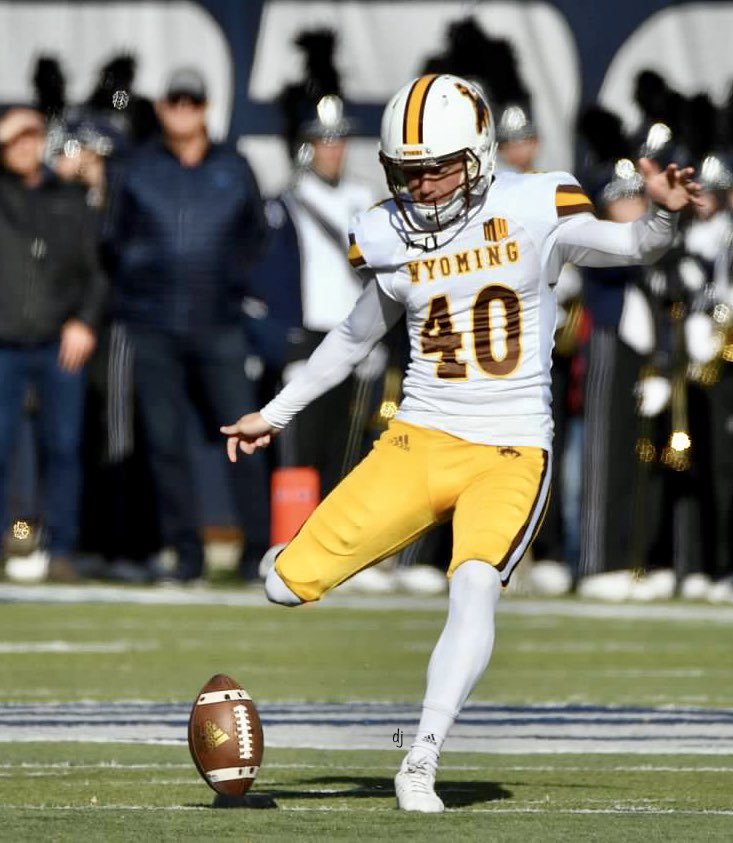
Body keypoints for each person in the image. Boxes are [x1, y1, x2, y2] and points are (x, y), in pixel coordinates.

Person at [221, 74, 701, 812]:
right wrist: (274, 412)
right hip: (418, 438)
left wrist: (664, 220)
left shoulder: (534, 202)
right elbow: (352, 339)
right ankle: (297, 565)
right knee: (281, 585)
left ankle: (421, 754)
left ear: (476, 156)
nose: (419, 184)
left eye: (435, 167)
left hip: (509, 447)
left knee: (474, 582)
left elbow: (630, 242)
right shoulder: (388, 229)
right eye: (404, 170)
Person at [104, 68, 270, 582]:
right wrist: (140, 276)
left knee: (243, 435)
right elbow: (112, 239)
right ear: (160, 108)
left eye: (192, 100)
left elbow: (256, 238)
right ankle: (186, 551)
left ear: (205, 106)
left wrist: (231, 286)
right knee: (164, 440)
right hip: (153, 323)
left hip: (218, 322)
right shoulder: (139, 167)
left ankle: (257, 551)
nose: (183, 108)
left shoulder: (233, 166)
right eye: (174, 100)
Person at [0, 106, 106, 579]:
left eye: (33, 134)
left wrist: (83, 321)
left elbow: (96, 272)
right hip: (4, 342)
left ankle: (60, 547)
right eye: (13, 136)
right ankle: (9, 543)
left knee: (63, 446)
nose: (25, 144)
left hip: (58, 340)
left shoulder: (67, 197)